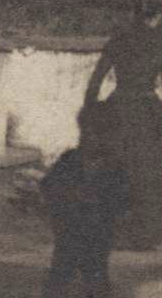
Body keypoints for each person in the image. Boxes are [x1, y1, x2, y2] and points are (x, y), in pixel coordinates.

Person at [84, 0, 162, 250]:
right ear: (156, 17)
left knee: (114, 168)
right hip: (148, 112)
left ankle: (109, 231)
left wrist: (93, 112)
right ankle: (145, 235)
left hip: (119, 107)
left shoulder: (118, 41)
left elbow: (95, 82)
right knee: (147, 174)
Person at [41, 101, 129, 298]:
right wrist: (66, 195)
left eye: (100, 135)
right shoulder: (70, 159)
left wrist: (103, 204)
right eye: (85, 133)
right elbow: (48, 185)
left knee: (96, 274)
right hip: (68, 228)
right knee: (61, 272)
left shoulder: (115, 168)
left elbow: (123, 200)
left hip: (99, 232)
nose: (90, 139)